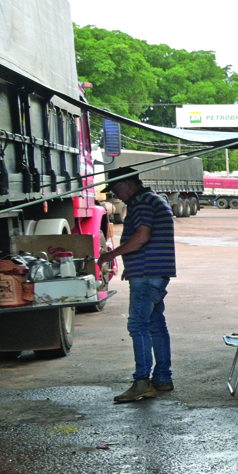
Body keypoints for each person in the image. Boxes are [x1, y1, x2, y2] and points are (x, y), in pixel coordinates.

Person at [100, 171, 177, 402]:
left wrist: (111, 255)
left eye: (116, 190)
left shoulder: (141, 202)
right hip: (153, 271)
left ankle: (141, 381)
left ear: (129, 185)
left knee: (138, 325)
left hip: (147, 275)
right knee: (155, 324)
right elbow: (145, 241)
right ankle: (162, 378)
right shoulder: (155, 199)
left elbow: (142, 236)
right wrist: (130, 264)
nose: (117, 196)